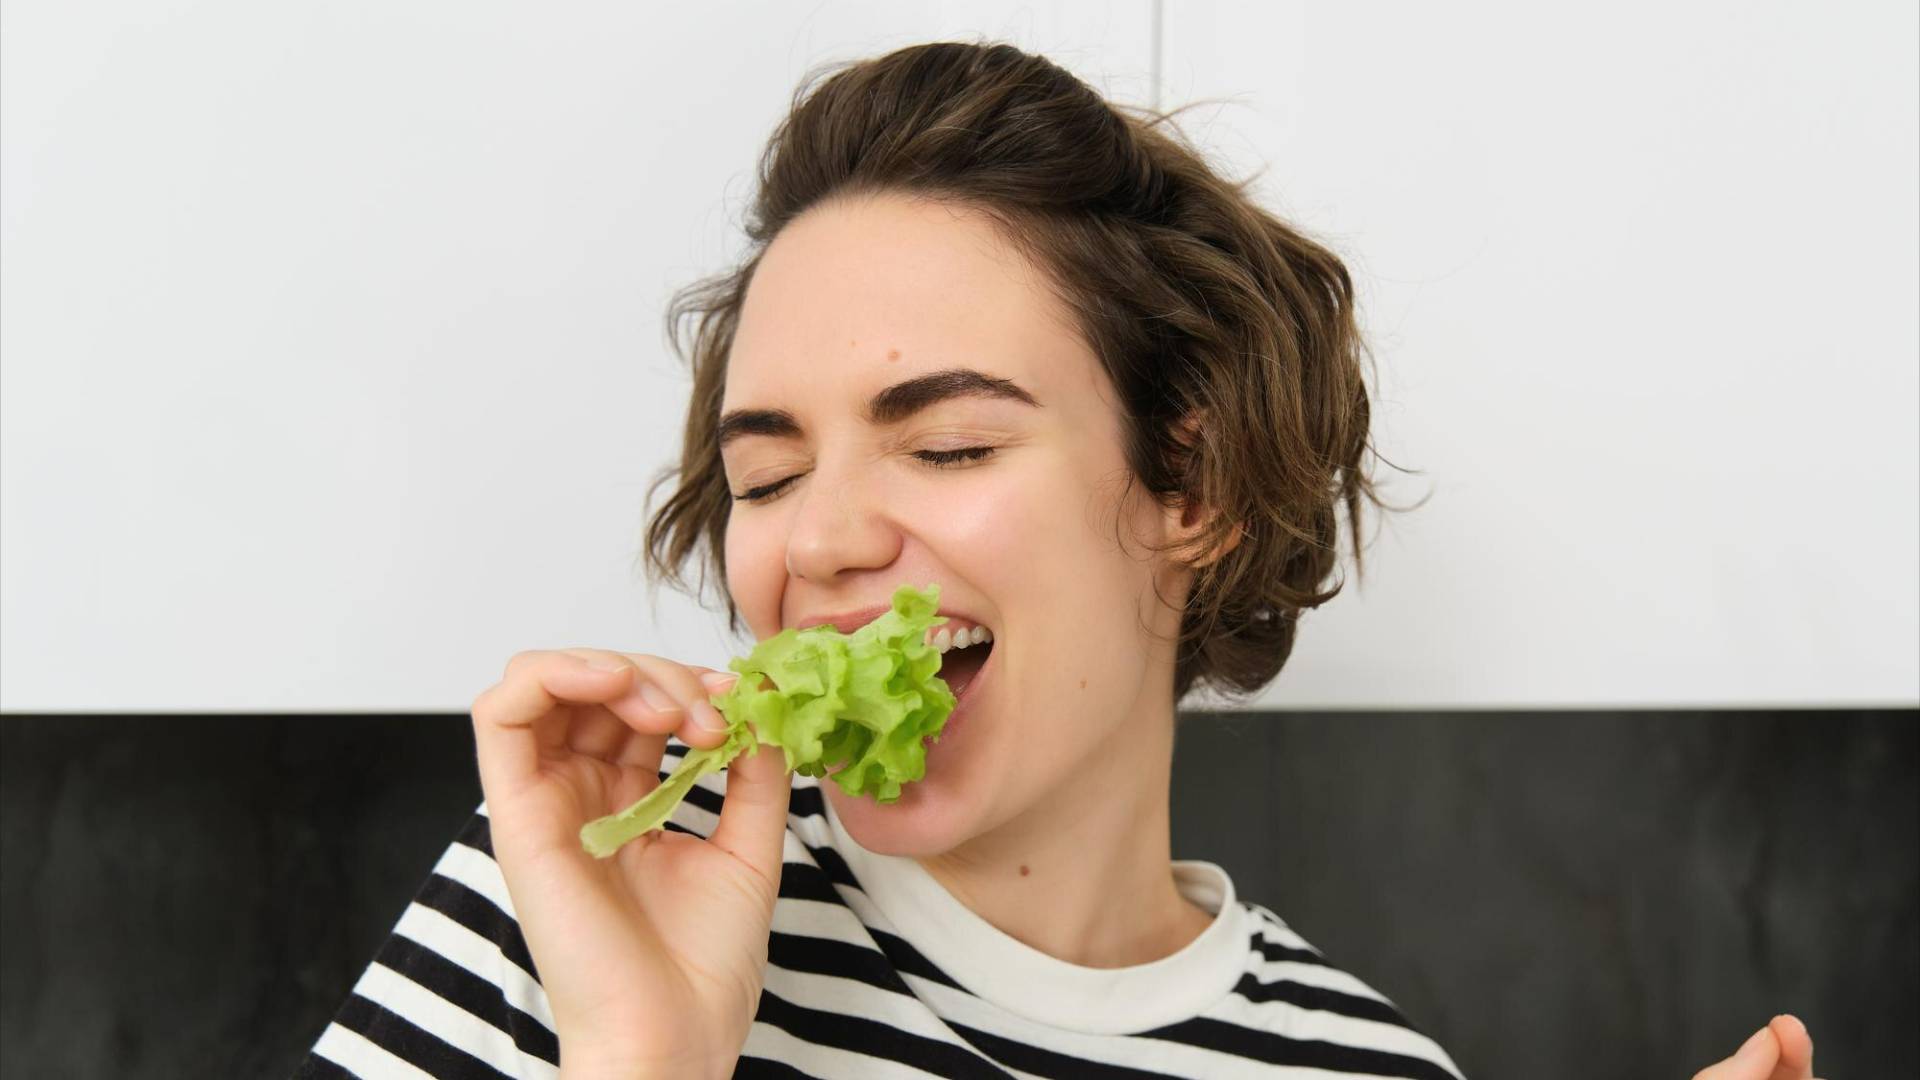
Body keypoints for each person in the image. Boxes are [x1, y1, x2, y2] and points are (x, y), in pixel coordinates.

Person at [293, 39, 1819, 1080]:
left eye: (947, 446)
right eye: (767, 473)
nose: (818, 538)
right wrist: (643, 1059)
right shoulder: (576, 901)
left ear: (1191, 483)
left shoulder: (1360, 1067)